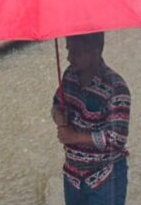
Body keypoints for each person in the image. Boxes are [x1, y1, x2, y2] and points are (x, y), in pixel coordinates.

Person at [51, 32, 129, 205]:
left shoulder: (116, 88)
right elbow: (56, 103)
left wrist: (75, 137)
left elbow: (117, 139)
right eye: (69, 50)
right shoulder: (69, 75)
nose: (70, 58)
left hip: (105, 177)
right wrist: (58, 115)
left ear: (96, 51)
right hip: (73, 177)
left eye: (77, 53)